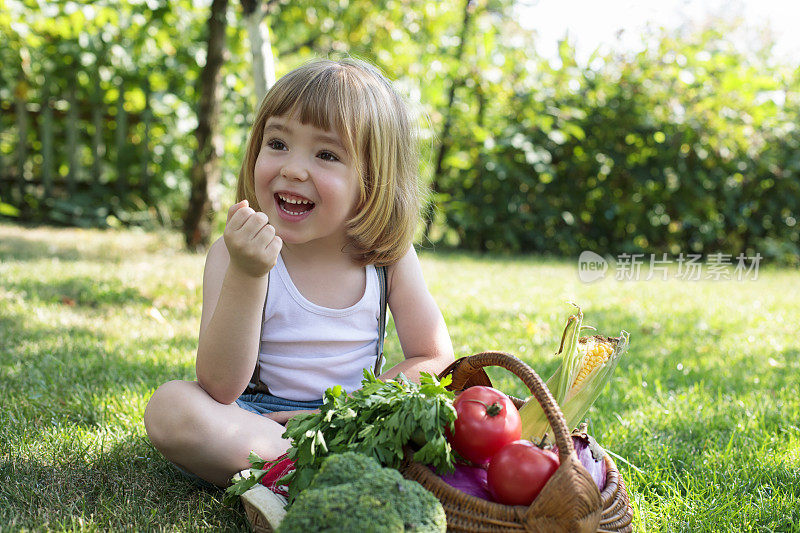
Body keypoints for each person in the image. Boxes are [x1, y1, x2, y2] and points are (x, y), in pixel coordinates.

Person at [143, 58, 455, 488]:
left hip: (354, 423)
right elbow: (218, 386)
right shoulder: (234, 254)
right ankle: (305, 470)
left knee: (446, 413)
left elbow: (434, 356)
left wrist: (348, 415)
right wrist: (249, 275)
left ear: (374, 179)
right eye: (277, 144)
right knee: (170, 407)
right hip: (260, 422)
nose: (293, 168)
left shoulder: (388, 257)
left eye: (326, 154)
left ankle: (303, 475)